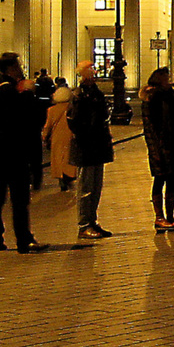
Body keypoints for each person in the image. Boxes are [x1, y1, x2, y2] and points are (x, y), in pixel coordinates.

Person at [0, 53, 45, 253]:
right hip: (12, 152)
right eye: (18, 65)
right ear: (11, 68)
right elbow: (23, 119)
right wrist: (28, 94)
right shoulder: (9, 91)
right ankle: (23, 239)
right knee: (18, 198)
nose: (21, 68)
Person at [68, 59, 114, 240]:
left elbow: (102, 115)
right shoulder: (79, 95)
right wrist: (86, 136)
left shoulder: (95, 93)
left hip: (97, 145)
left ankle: (92, 221)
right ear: (84, 74)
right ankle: (84, 224)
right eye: (91, 70)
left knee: (96, 186)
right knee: (86, 187)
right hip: (86, 147)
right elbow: (74, 121)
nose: (94, 73)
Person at [142, 68, 174, 228]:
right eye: (166, 77)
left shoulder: (169, 95)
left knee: (173, 179)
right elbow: (151, 127)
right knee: (160, 179)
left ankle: (170, 216)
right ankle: (159, 217)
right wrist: (156, 147)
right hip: (160, 145)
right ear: (159, 79)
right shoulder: (152, 97)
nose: (169, 79)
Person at [41, 85, 76, 191]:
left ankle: (61, 179)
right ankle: (69, 176)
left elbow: (48, 125)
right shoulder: (72, 108)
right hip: (70, 135)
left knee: (58, 158)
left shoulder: (51, 110)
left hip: (57, 137)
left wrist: (44, 136)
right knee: (69, 157)